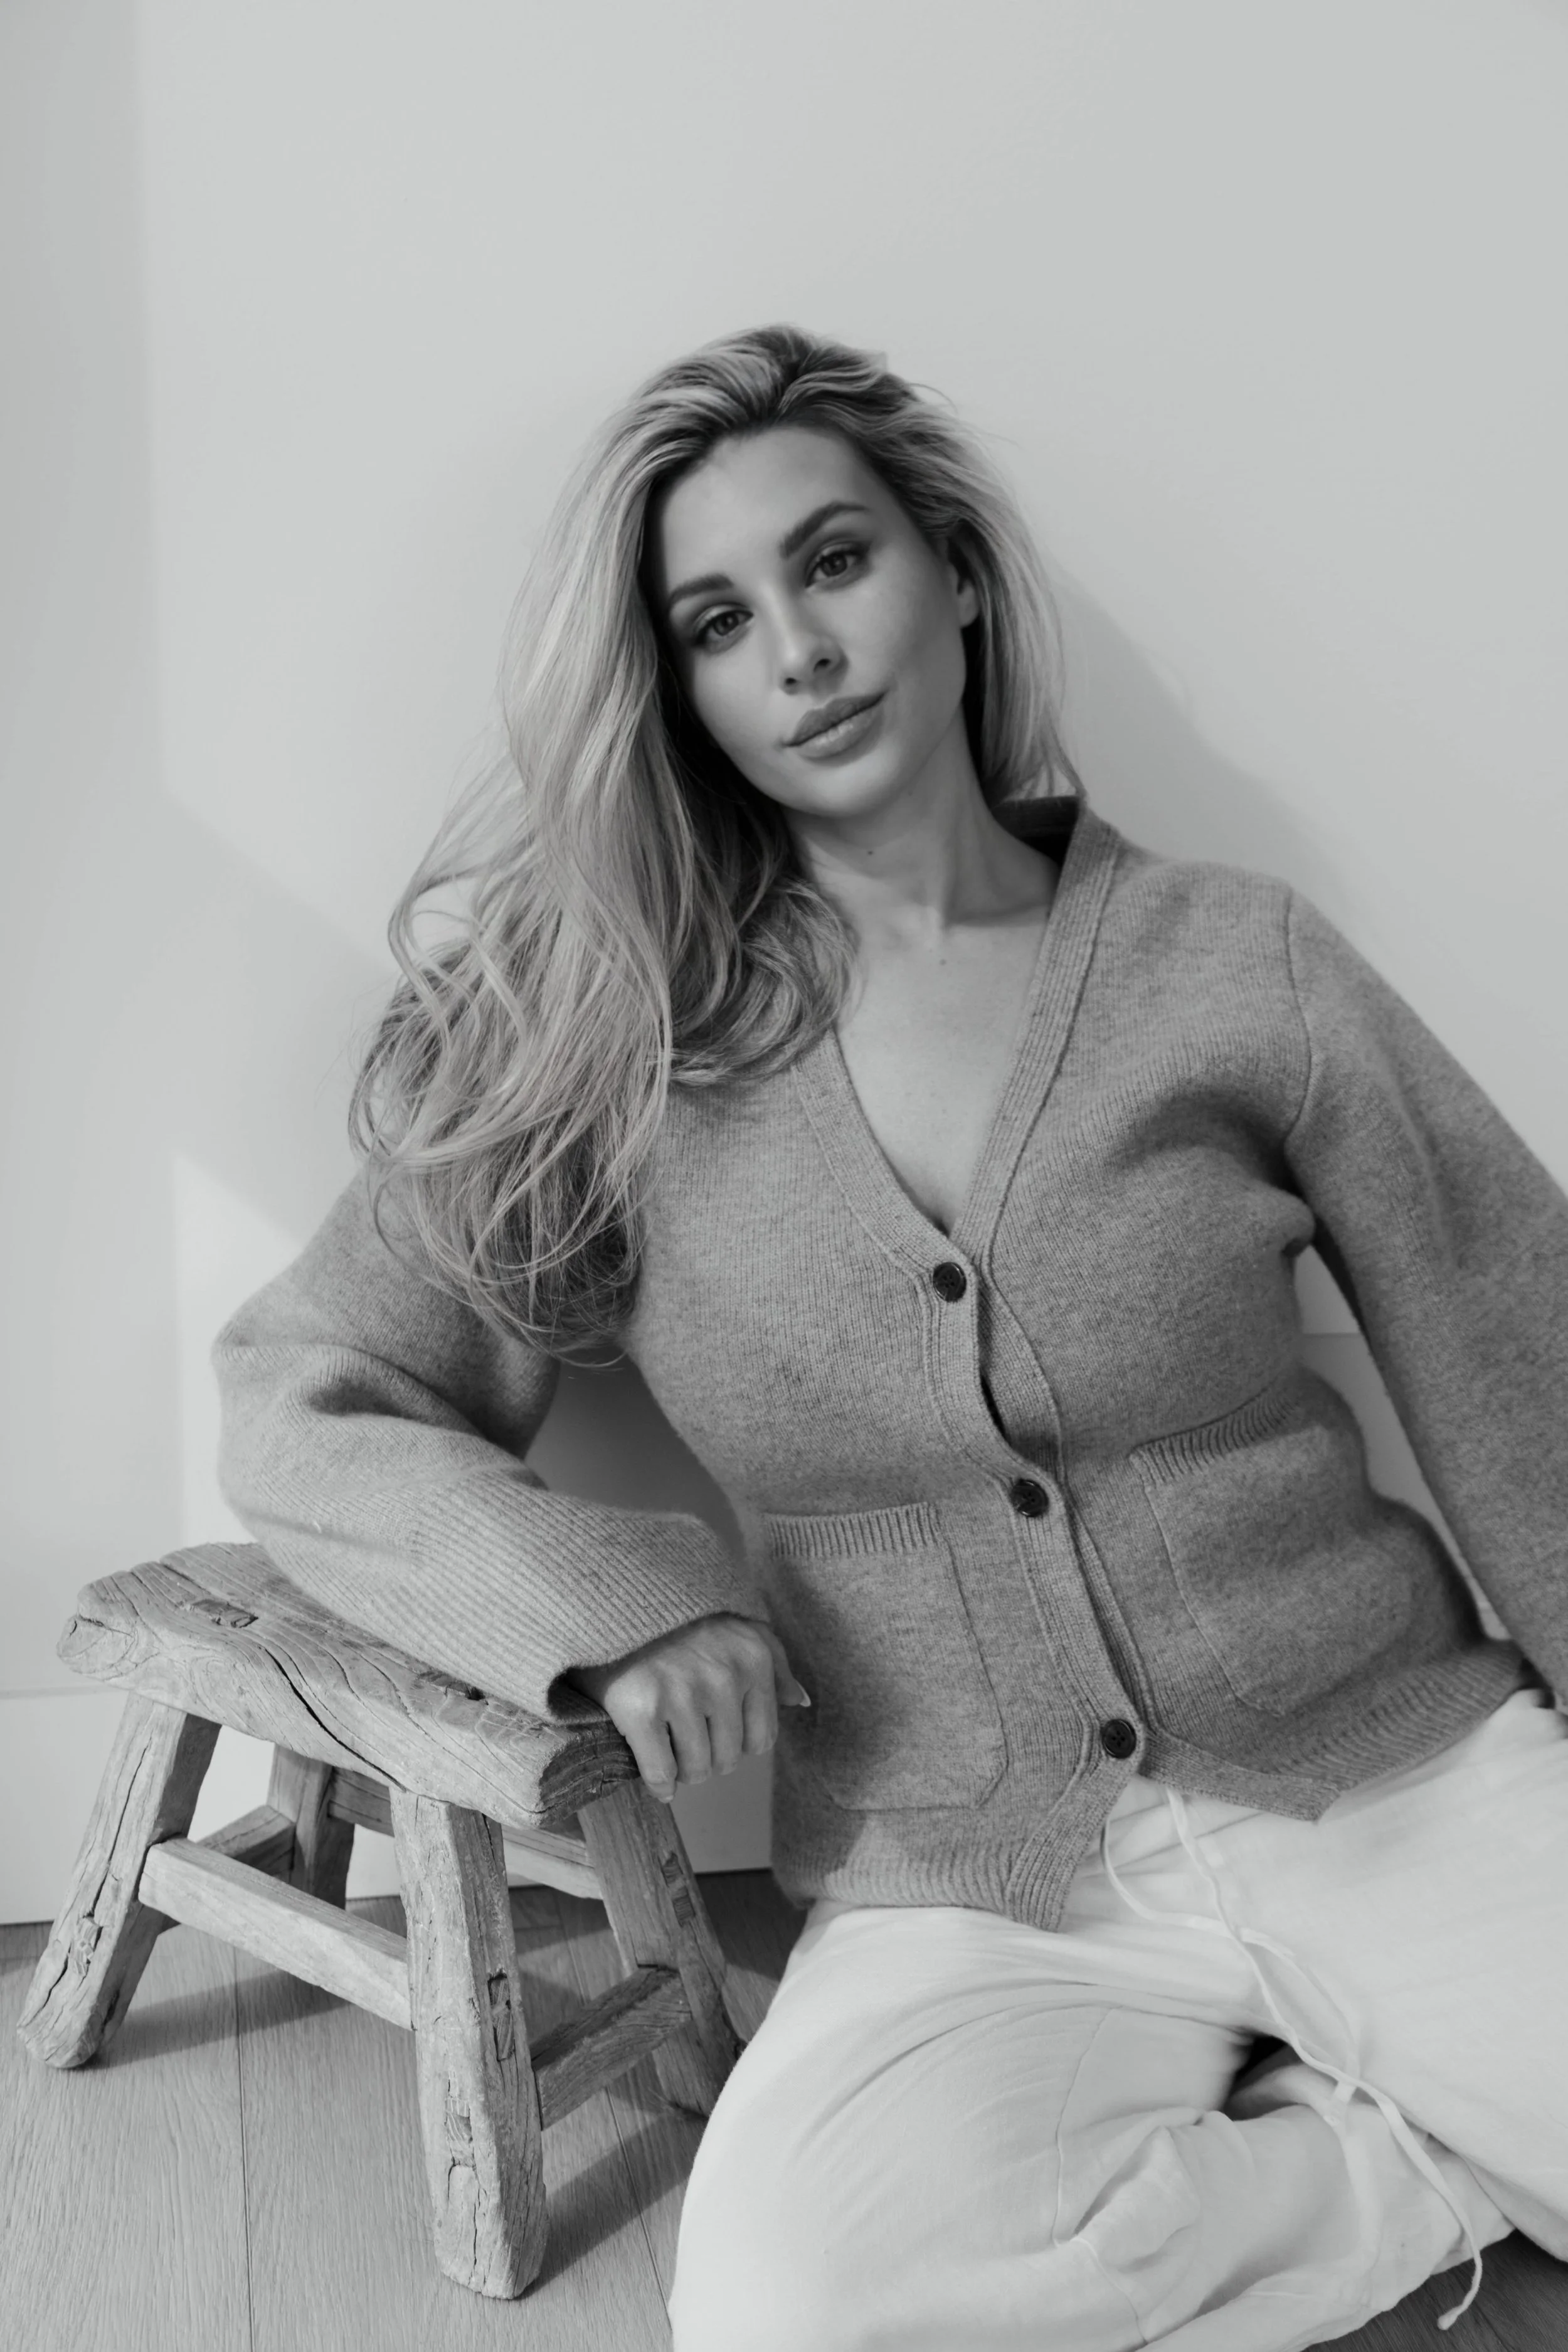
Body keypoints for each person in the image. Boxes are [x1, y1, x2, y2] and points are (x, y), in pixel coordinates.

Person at [213, 324, 1568, 2351]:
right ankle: (1388, 2169)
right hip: (967, 1874)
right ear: (677, 689)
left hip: (1396, 1773)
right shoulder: (615, 1047)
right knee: (794, 2316)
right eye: (717, 621)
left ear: (951, 570)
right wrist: (610, 1605)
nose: (801, 651)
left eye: (834, 561)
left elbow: (1524, 1363)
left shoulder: (1232, 961)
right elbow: (306, 1393)